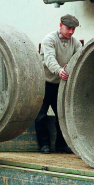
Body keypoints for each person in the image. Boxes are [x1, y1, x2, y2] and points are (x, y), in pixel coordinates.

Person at [35, 14, 82, 154]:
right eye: (69, 28)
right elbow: (49, 59)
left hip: (60, 85)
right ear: (61, 26)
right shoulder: (49, 40)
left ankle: (61, 146)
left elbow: (80, 58)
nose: (71, 32)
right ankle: (44, 145)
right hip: (44, 83)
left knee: (62, 116)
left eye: (74, 29)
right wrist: (59, 70)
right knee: (41, 116)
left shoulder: (75, 43)